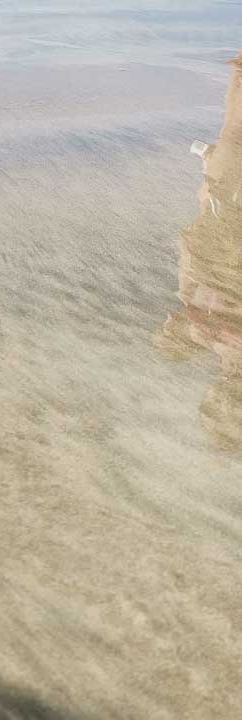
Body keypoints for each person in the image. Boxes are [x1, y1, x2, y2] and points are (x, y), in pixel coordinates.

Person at [157, 52, 242, 449]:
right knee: (233, 136)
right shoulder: (206, 335)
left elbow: (187, 297)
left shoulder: (204, 335)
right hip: (218, 218)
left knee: (234, 135)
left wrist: (180, 337)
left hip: (220, 217)